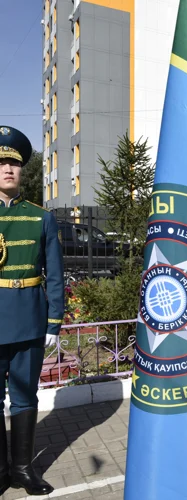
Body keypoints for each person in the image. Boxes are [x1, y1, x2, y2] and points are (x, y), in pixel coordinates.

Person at [0, 126, 63, 496]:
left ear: (23, 170)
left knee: (25, 397)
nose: (7, 169)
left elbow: (55, 274)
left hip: (28, 320)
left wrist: (54, 321)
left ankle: (23, 470)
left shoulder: (42, 218)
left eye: (14, 163)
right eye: (1, 162)